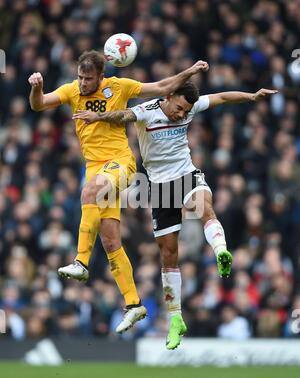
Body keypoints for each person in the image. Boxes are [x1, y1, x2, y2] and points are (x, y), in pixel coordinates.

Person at [73, 82, 277, 349]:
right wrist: (98, 116)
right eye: (179, 108)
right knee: (169, 255)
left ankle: (220, 251)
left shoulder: (189, 108)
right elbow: (122, 115)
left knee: (204, 206)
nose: (181, 115)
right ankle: (175, 319)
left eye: (186, 111)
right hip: (159, 188)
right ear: (168, 97)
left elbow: (223, 97)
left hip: (186, 175)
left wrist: (251, 94)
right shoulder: (146, 111)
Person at [28, 50, 209, 334]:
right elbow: (39, 105)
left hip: (120, 163)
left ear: (101, 76)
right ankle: (134, 304)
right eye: (80, 77)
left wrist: (190, 71)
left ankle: (80, 262)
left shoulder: (120, 86)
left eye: (88, 78)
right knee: (110, 240)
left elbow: (162, 88)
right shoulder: (72, 90)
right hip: (95, 166)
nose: (83, 82)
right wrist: (36, 88)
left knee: (89, 192)